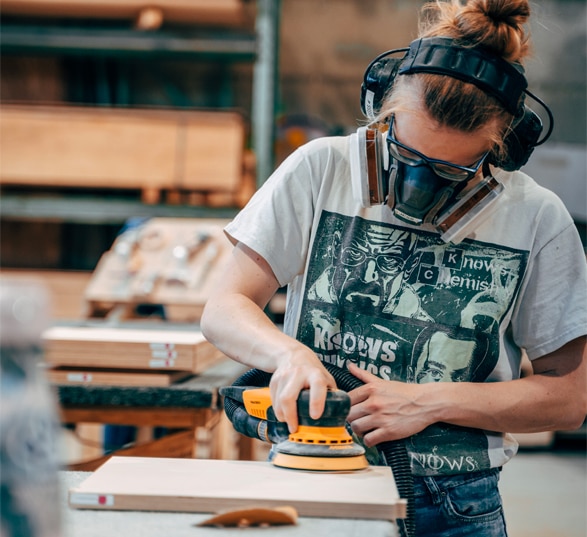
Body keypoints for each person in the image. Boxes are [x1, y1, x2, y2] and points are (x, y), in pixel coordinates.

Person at [201, 0, 587, 535]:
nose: (417, 186)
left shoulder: (536, 218)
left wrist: (427, 402)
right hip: (311, 477)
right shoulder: (322, 169)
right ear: (381, 110)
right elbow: (224, 306)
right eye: (404, 153)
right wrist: (287, 355)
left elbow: (568, 399)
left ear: (503, 150)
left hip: (455, 503)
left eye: (451, 170)